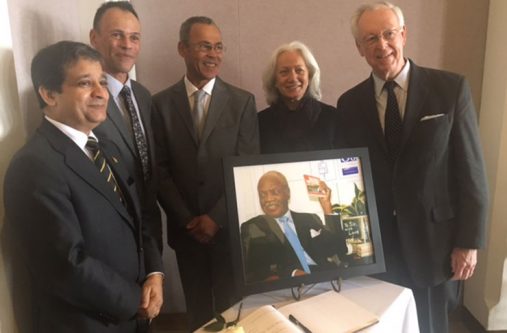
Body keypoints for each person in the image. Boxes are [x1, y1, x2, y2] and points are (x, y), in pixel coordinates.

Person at [336, 2, 489, 332]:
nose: (382, 45)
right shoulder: (348, 104)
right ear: (359, 47)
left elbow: (471, 171)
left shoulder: (450, 89)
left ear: (403, 35)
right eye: (371, 38)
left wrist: (469, 241)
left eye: (389, 34)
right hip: (376, 249)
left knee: (431, 326)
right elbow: (349, 180)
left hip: (435, 243)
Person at [3, 41, 163, 333]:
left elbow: (138, 217)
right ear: (49, 94)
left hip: (133, 316)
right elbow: (66, 264)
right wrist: (133, 300)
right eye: (85, 83)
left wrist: (154, 272)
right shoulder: (34, 166)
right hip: (89, 323)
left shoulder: (107, 148)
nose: (101, 93)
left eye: (102, 81)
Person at [151, 16, 259, 331]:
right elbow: (159, 169)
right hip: (186, 233)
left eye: (218, 47)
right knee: (196, 311)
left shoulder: (242, 102)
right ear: (183, 49)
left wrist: (216, 218)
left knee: (232, 311)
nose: (213, 54)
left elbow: (247, 167)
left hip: (228, 231)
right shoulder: (160, 104)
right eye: (204, 46)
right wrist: (188, 218)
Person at [90, 1, 162, 251]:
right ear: (94, 38)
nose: (127, 45)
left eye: (134, 37)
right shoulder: (88, 100)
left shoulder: (143, 95)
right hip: (112, 232)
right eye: (117, 35)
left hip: (151, 227)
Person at [241, 171, 347, 284]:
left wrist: (327, 206)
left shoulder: (310, 218)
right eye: (263, 195)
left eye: (274, 192)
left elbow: (339, 249)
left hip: (327, 278)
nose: (268, 199)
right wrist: (291, 273)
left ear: (287, 193)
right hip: (290, 285)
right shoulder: (253, 227)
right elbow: (251, 270)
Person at [259, 41, 338, 153]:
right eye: (284, 72)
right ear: (274, 80)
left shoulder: (332, 118)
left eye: (299, 70)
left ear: (309, 76)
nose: (293, 78)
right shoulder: (259, 123)